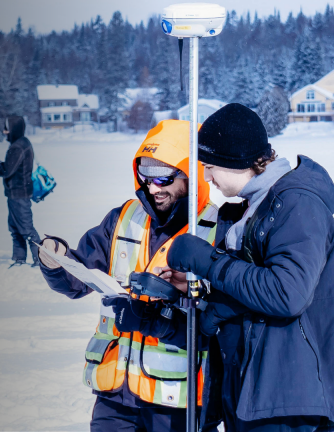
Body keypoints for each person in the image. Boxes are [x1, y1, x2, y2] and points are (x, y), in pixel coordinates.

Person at [166, 103, 334, 431]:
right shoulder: (253, 208)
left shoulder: (297, 203)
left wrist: (209, 261)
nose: (207, 177)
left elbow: (288, 293)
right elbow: (252, 287)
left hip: (289, 396)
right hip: (256, 391)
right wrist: (206, 291)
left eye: (210, 166)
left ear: (238, 161)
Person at [37, 120, 219, 432]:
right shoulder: (122, 218)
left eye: (164, 178)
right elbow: (77, 279)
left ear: (191, 175)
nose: (153, 188)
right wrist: (56, 261)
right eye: (146, 178)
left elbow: (220, 323)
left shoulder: (216, 230)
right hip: (115, 396)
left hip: (177, 402)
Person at [0, 116, 41, 268]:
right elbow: (10, 167)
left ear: (14, 129)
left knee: (26, 228)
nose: (4, 132)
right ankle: (19, 259)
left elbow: (7, 170)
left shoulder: (18, 146)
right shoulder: (22, 143)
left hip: (19, 194)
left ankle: (41, 260)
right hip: (16, 194)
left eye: (7, 129)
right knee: (15, 228)